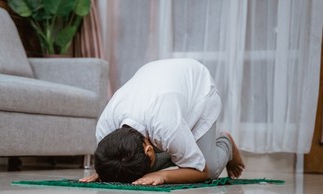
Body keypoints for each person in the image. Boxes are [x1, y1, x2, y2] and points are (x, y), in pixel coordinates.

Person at [80, 58, 245, 185]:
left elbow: (200, 170)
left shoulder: (167, 127)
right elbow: (116, 160)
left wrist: (163, 176)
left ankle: (226, 143)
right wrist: (107, 171)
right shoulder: (105, 130)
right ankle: (180, 151)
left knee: (211, 171)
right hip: (159, 81)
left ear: (149, 149)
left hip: (198, 86)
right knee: (135, 167)